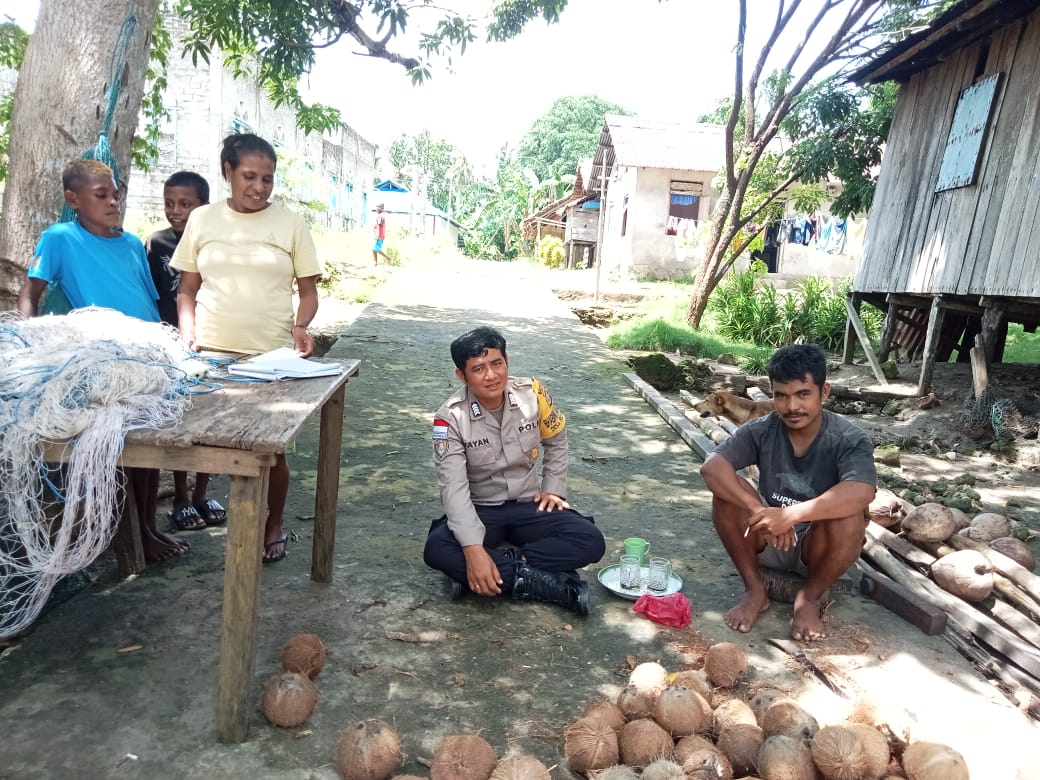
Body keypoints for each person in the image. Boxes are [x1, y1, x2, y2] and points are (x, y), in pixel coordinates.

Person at [17, 159, 188, 563]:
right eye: (101, 195)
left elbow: (148, 299)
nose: (113, 202)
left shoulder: (130, 242)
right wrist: (30, 340)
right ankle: (130, 535)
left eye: (115, 194)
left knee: (148, 450)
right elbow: (30, 292)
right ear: (72, 199)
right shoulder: (60, 238)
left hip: (150, 355)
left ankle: (148, 527)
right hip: (106, 359)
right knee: (123, 450)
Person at [171, 132, 322, 563]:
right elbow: (186, 291)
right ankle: (193, 501)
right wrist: (188, 332)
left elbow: (308, 293)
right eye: (249, 176)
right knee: (200, 442)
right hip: (211, 355)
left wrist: (301, 326)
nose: (259, 187)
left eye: (268, 179)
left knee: (270, 452)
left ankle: (272, 523)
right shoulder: (202, 220)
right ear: (227, 173)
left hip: (271, 359)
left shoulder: (290, 223)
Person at [423, 326, 606, 615]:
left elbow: (557, 441)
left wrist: (553, 488)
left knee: (590, 540)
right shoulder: (449, 419)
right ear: (462, 376)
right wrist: (472, 548)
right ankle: (549, 585)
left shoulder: (532, 394)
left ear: (506, 360)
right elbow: (453, 489)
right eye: (478, 368)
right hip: (481, 511)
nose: (491, 375)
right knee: (437, 549)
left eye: (497, 363)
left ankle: (491, 570)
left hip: (528, 504)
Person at [700, 344, 876, 641]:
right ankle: (755, 592)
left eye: (803, 394)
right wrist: (761, 512)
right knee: (728, 495)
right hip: (768, 538)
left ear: (825, 392)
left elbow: (862, 491)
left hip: (815, 546)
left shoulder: (848, 438)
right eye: (781, 395)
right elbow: (712, 467)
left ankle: (808, 600)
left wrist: (790, 515)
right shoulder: (763, 429)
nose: (791, 407)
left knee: (850, 514)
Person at [145, 171, 226, 532]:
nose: (175, 212)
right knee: (179, 420)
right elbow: (151, 291)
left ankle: (201, 493)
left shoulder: (217, 244)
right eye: (169, 203)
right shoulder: (157, 243)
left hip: (209, 342)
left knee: (209, 422)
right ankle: (179, 495)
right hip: (171, 344)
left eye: (185, 204)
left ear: (203, 207)